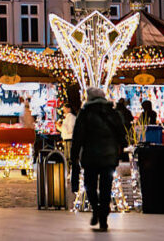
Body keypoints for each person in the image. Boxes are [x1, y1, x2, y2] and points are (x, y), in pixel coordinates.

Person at [70, 86, 128, 232]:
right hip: (109, 156)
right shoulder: (112, 112)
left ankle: (96, 208)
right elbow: (122, 133)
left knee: (89, 184)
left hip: (90, 156)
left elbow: (78, 136)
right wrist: (121, 147)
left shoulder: (84, 114)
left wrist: (74, 155)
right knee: (105, 187)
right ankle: (103, 217)